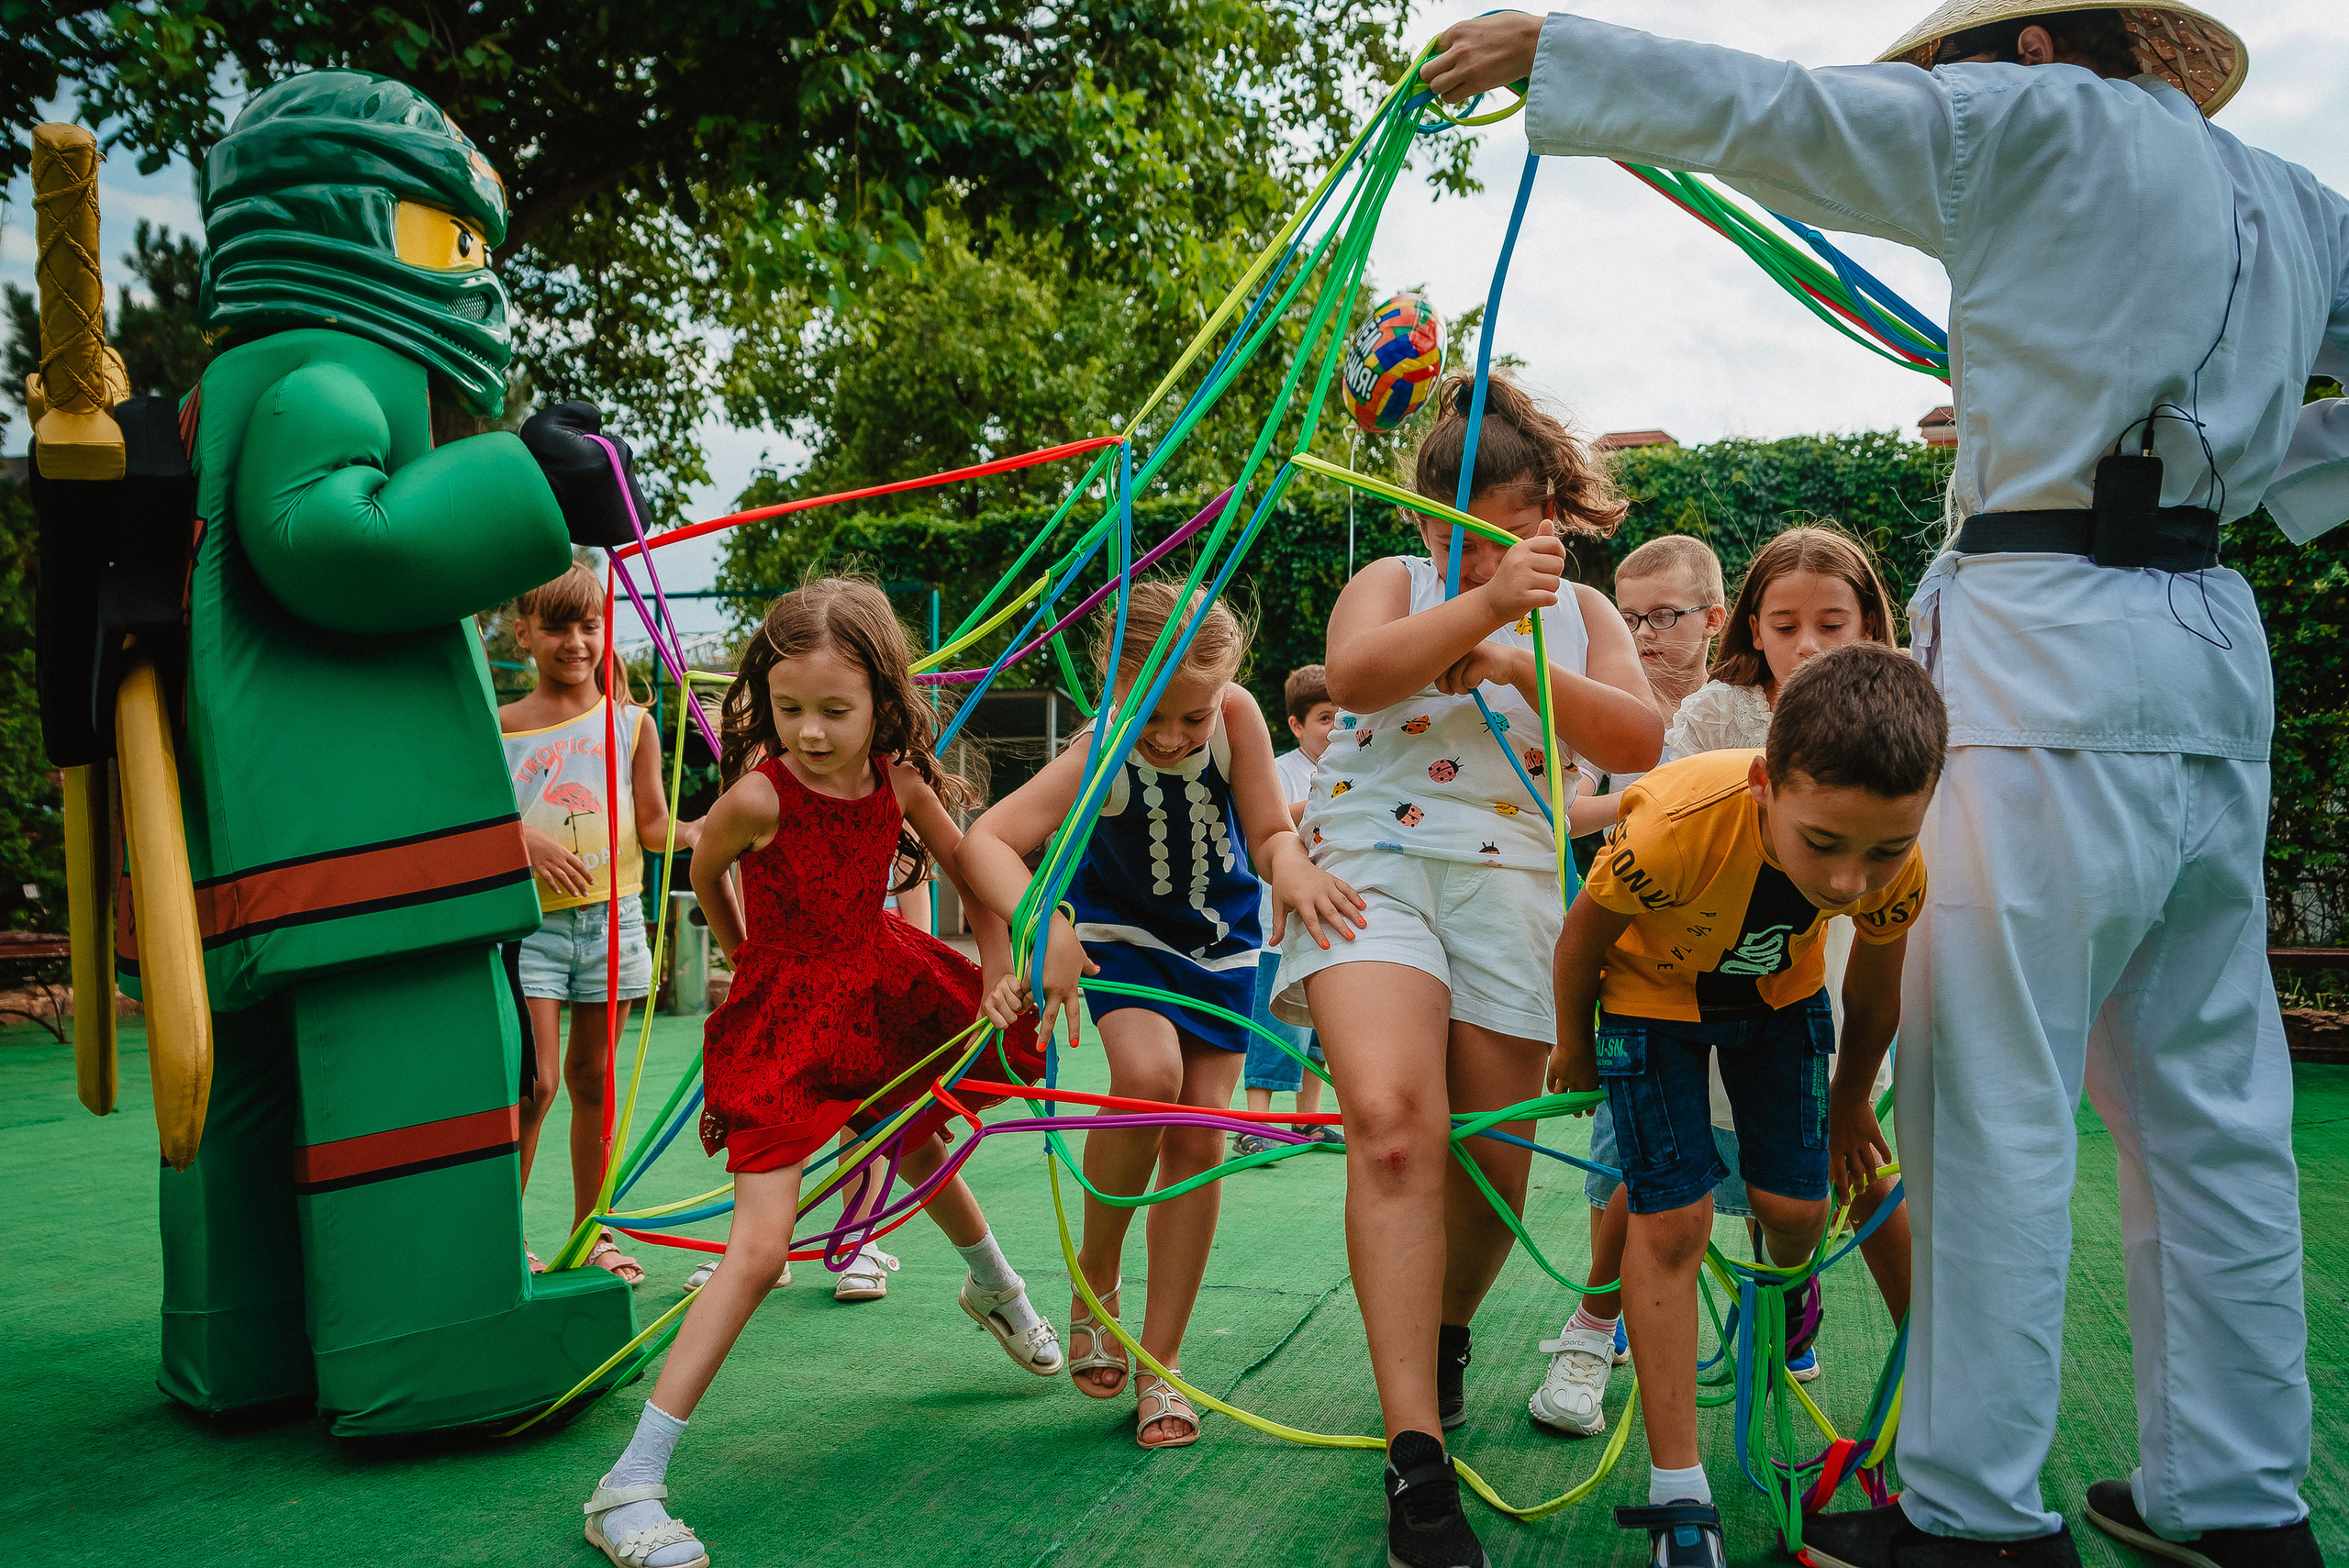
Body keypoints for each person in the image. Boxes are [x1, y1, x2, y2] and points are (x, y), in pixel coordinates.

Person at [1424, 6, 2343, 1564]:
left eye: (1961, 64)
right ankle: (2239, 1497)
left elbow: (1790, 115)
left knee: (1992, 1098)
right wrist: (2277, 473)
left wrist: (1559, 55)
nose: (1946, 92)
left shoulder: (2036, 121)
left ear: (2039, 45)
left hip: (2048, 661)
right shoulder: (2291, 204)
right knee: (2217, 1106)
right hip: (2210, 665)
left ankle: (1979, 1510)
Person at [580, 579, 1060, 1568]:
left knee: (918, 1129)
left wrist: (1003, 968)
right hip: (786, 1016)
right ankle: (626, 1484)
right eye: (790, 706)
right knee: (756, 1249)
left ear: (882, 699)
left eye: (833, 710)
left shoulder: (899, 781)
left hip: (877, 986)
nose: (808, 729)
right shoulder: (759, 792)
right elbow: (707, 869)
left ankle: (997, 1286)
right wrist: (749, 954)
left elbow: (973, 875)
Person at [1275, 370, 1661, 1568]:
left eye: (1525, 519)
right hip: (1375, 866)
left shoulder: (1584, 617)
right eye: (1470, 523)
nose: (1504, 542)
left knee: (1493, 1158)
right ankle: (1415, 1463)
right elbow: (1357, 678)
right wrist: (1476, 604)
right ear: (1427, 518)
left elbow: (1641, 742)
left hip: (1511, 885)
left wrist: (1507, 662)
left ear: (1557, 512)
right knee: (1395, 1125)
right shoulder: (1396, 583)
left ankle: (1443, 1332)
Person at [1550, 643, 1943, 1566]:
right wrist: (1571, 1045)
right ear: (1766, 783)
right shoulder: (1673, 828)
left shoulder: (1897, 868)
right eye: (1824, 843)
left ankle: (1782, 1289)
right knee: (1674, 1217)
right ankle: (1677, 1488)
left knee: (1795, 1211)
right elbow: (1582, 939)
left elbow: (1875, 998)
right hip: (1652, 1000)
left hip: (1777, 1002)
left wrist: (1850, 1107)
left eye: (1882, 849)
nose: (1849, 880)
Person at [962, 583, 1361, 1449]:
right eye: (1156, 714)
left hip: (1220, 945)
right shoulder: (1104, 742)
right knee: (1148, 1076)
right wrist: (1047, 925)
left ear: (1225, 689)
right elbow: (985, 839)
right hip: (1117, 936)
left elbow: (1266, 827)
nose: (1176, 735)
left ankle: (1165, 1361)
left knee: (1200, 1136)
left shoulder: (1240, 715)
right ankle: (1095, 1276)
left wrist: (1288, 862)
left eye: (1196, 714)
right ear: (1114, 685)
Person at [502, 562, 699, 1284]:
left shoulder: (633, 723)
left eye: (590, 625)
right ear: (523, 631)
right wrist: (525, 839)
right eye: (557, 625)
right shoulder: (501, 727)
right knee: (535, 1084)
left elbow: (652, 826)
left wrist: (703, 829)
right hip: (533, 929)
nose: (576, 641)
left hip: (614, 923)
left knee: (594, 1082)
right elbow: (476, 823)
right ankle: (498, 1239)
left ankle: (593, 1232)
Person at [1233, 663, 1342, 1159]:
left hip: (1332, 919)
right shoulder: (1280, 771)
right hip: (1277, 925)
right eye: (1323, 718)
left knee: (1320, 1024)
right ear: (1297, 725)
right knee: (1276, 1024)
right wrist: (1328, 797)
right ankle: (1256, 1123)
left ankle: (1308, 1121)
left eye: (1343, 717)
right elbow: (1266, 823)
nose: (1335, 726)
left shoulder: (1355, 766)